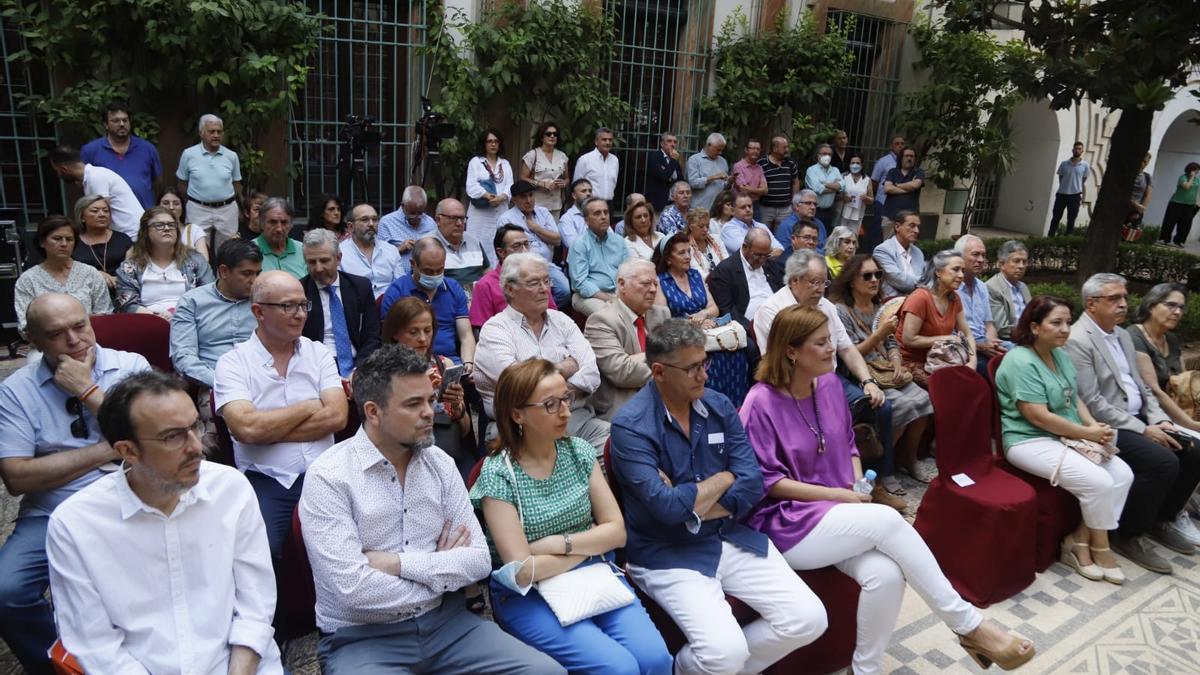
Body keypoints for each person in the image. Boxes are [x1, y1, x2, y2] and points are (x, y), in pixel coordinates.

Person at [743, 304, 1035, 674]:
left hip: (838, 511)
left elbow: (848, 442)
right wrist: (843, 497)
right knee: (887, 521)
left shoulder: (831, 385)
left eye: (830, 338)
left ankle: (865, 670)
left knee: (886, 575)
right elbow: (767, 482)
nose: (832, 347)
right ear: (791, 350)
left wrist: (855, 483)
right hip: (786, 522)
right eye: (820, 342)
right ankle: (969, 625)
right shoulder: (760, 402)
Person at [299, 345, 565, 674]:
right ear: (373, 412)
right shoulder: (330, 476)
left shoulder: (439, 463)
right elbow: (354, 590)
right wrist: (442, 570)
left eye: (430, 399)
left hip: (448, 625)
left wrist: (397, 564)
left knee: (545, 672)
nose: (430, 411)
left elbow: (479, 561)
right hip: (363, 637)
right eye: (414, 404)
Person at [610, 319, 827, 674]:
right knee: (723, 652)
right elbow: (665, 511)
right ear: (660, 371)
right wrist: (724, 478)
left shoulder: (719, 405)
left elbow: (753, 483)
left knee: (809, 618)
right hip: (667, 551)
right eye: (692, 368)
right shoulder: (631, 427)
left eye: (705, 363)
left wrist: (693, 504)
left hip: (728, 535)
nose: (704, 375)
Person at [47, 371, 283, 674]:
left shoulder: (230, 489)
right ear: (127, 451)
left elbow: (256, 603)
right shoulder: (75, 525)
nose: (196, 446)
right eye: (173, 436)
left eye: (195, 426)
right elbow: (96, 647)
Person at [469, 359, 673, 674]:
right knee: (618, 669)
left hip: (592, 574)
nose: (566, 411)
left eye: (567, 398)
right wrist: (591, 545)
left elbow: (617, 533)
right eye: (550, 404)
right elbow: (521, 572)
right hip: (528, 595)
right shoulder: (498, 473)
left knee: (656, 660)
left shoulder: (578, 451)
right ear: (517, 414)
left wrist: (554, 543)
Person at [0, 293, 149, 672]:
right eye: (56, 334)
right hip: (53, 510)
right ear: (32, 340)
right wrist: (109, 449)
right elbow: (17, 477)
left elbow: (154, 438)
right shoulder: (16, 391)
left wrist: (88, 392)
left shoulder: (130, 366)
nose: (74, 340)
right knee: (7, 593)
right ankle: (62, 665)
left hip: (133, 500)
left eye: (80, 326)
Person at [214, 271, 349, 572]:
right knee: (261, 553)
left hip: (327, 472)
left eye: (303, 305)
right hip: (267, 477)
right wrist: (309, 406)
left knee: (352, 541)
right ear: (259, 312)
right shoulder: (232, 363)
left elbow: (337, 417)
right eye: (288, 306)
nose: (300, 314)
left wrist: (268, 429)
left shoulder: (319, 353)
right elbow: (246, 428)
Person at [1066, 273, 1200, 572]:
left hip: (1142, 417)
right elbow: (1093, 401)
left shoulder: (1123, 335)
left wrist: (1160, 421)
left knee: (1193, 451)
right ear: (1091, 303)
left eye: (1124, 297)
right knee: (1163, 462)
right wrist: (1143, 429)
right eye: (1114, 298)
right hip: (1108, 425)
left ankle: (1161, 519)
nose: (1123, 304)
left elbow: (1143, 387)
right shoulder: (1078, 340)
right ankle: (1127, 532)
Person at [995, 296, 1133, 584]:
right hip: (1027, 441)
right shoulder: (1020, 360)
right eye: (1056, 323)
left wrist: (1093, 424)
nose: (1065, 329)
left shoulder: (1059, 354)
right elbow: (1038, 417)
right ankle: (1101, 548)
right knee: (1100, 482)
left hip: (1064, 435)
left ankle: (1079, 541)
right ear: (1034, 326)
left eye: (1068, 322)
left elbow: (1075, 396)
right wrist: (1088, 434)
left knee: (1123, 474)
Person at [752, 250, 902, 511]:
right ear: (794, 281)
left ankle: (874, 480)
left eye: (824, 282)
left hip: (828, 380)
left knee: (879, 403)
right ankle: (833, 484)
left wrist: (868, 381)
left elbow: (845, 348)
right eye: (813, 282)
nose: (820, 289)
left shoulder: (827, 307)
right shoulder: (772, 311)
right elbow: (775, 362)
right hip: (793, 384)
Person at [474, 252, 609, 451]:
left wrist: (545, 394)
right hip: (521, 428)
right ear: (510, 289)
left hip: (577, 420)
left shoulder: (562, 321)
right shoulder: (495, 330)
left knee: (616, 442)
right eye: (534, 283)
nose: (544, 289)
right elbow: (518, 382)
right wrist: (566, 367)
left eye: (547, 281)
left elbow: (592, 374)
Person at [830, 254, 935, 484]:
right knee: (904, 406)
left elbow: (891, 342)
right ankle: (883, 465)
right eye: (867, 275)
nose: (874, 280)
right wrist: (879, 333)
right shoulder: (841, 311)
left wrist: (897, 361)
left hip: (887, 370)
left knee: (925, 401)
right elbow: (849, 351)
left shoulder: (879, 306)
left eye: (878, 275)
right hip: (863, 373)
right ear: (851, 280)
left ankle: (908, 458)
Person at [1129, 284, 1200, 545]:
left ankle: (1186, 498)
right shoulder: (1135, 338)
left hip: (1170, 411)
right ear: (1151, 305)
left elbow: (1180, 384)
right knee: (1194, 445)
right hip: (1146, 412)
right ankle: (1171, 515)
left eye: (1181, 307)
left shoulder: (1171, 339)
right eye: (1171, 305)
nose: (1177, 311)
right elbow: (1156, 392)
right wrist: (1191, 424)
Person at [383, 298, 474, 477]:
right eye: (413, 332)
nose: (423, 339)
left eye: (428, 330)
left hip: (447, 452)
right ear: (395, 333)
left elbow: (465, 431)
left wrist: (456, 406)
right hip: (404, 458)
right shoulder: (382, 372)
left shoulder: (443, 365)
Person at [654, 232, 748, 406]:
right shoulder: (660, 282)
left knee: (736, 352)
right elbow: (663, 321)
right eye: (681, 253)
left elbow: (714, 308)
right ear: (668, 258)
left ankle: (735, 410)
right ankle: (711, 409)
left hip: (710, 333)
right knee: (714, 361)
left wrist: (703, 314)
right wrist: (693, 324)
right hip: (681, 337)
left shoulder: (696, 276)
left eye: (689, 251)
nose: (688, 256)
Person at [585, 259, 671, 420]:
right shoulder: (601, 320)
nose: (653, 290)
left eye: (655, 284)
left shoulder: (662, 314)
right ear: (622, 284)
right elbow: (622, 372)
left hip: (664, 401)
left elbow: (677, 355)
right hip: (625, 408)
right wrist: (666, 364)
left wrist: (637, 359)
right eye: (646, 283)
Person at [171, 239, 262, 388]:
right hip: (214, 383)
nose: (255, 281)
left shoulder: (265, 300)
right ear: (224, 271)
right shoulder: (192, 302)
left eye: (258, 273)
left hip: (263, 379)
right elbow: (184, 357)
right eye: (247, 274)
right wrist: (223, 383)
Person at [380, 238, 476, 365]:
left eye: (440, 270)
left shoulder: (453, 288)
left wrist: (468, 363)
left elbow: (466, 335)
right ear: (413, 264)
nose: (435, 275)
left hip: (452, 363)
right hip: (409, 365)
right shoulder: (397, 292)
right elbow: (389, 341)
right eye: (428, 271)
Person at [301, 228, 382, 377]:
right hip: (315, 368)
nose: (318, 268)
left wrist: (359, 370)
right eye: (312, 262)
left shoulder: (360, 287)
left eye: (324, 260)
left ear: (338, 258)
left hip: (358, 364)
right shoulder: (299, 292)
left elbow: (372, 336)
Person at [15, 216, 112, 333]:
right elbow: (25, 326)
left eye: (69, 239)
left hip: (91, 340)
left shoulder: (90, 273)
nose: (64, 244)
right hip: (47, 346)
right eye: (57, 238)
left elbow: (106, 314)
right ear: (42, 242)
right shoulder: (28, 280)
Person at [115, 206, 214, 317]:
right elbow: (126, 303)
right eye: (159, 225)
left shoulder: (195, 259)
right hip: (147, 322)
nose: (167, 228)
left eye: (171, 225)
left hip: (190, 319)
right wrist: (156, 317)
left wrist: (177, 314)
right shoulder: (130, 267)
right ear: (145, 231)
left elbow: (210, 294)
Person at [896, 250, 976, 386]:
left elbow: (967, 333)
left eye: (963, 270)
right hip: (911, 362)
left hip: (940, 358)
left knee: (970, 383)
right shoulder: (920, 298)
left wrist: (972, 362)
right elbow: (908, 339)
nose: (961, 275)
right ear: (938, 272)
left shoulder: (954, 298)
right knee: (952, 389)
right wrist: (945, 338)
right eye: (956, 270)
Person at [496, 180, 571, 308]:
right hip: (521, 266)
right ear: (514, 199)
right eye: (523, 197)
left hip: (546, 265)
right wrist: (545, 235)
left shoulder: (543, 212)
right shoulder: (506, 218)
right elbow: (507, 247)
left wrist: (535, 228)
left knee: (565, 291)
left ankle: (543, 311)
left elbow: (557, 240)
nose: (529, 200)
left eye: (531, 195)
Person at [469, 225, 557, 329]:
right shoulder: (485, 285)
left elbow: (552, 315)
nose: (524, 250)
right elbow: (480, 328)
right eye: (517, 246)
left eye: (526, 244)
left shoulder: (540, 278)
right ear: (501, 252)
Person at [176, 114, 242, 250]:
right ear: (201, 133)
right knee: (194, 250)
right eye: (211, 131)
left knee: (229, 251)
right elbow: (181, 184)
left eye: (219, 131)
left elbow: (236, 184)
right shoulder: (188, 154)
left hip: (227, 210)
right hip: (198, 209)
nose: (216, 135)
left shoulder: (231, 156)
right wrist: (193, 200)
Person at [49, 145, 144, 240]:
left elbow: (101, 210)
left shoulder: (95, 178)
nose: (58, 175)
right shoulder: (93, 176)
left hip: (131, 234)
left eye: (57, 171)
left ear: (64, 169)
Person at [80, 102, 163, 208]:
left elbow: (158, 182)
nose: (122, 124)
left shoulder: (147, 148)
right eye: (115, 121)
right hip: (109, 218)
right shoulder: (90, 151)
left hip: (145, 215)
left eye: (125, 120)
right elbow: (84, 183)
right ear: (106, 124)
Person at [708, 228, 784, 341]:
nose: (762, 260)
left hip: (780, 322)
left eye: (766, 255)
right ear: (744, 247)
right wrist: (754, 329)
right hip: (748, 328)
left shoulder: (770, 265)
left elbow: (782, 291)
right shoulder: (725, 271)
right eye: (758, 255)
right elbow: (727, 310)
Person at [955, 234, 1007, 376]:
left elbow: (989, 324)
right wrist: (981, 347)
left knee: (1021, 355)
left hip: (985, 342)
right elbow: (948, 334)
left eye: (983, 255)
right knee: (996, 368)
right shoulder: (951, 289)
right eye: (975, 255)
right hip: (962, 347)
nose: (981, 260)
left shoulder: (982, 287)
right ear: (959, 257)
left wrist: (993, 343)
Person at [569, 196, 629, 316]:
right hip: (589, 296)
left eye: (606, 212)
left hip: (619, 292)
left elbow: (628, 271)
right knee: (610, 315)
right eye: (597, 213)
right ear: (586, 220)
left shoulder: (619, 241)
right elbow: (580, 282)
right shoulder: (580, 244)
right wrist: (610, 299)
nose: (603, 216)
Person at [466, 129, 515, 263]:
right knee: (477, 246)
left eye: (496, 141)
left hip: (500, 212)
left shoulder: (505, 164)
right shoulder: (476, 162)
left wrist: (501, 198)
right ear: (484, 144)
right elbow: (471, 187)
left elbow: (510, 187)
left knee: (498, 246)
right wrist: (488, 196)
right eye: (489, 141)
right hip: (480, 216)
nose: (493, 144)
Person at [337, 202, 403, 298]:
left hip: (389, 306)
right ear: (351, 227)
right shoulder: (340, 253)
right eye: (365, 220)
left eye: (375, 219)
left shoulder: (391, 250)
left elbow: (400, 284)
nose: (371, 224)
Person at [71, 194, 133, 287]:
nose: (102, 214)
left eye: (106, 211)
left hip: (122, 287)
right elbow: (70, 271)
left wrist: (118, 280)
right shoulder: (73, 242)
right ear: (82, 217)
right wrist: (96, 275)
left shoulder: (122, 239)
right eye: (95, 211)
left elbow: (132, 267)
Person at [432, 197, 490, 290]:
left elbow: (487, 272)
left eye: (462, 218)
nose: (459, 223)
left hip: (477, 299)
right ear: (438, 220)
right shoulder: (427, 245)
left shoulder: (474, 241)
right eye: (453, 218)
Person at [378, 185, 439, 273]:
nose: (417, 217)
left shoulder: (430, 223)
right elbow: (379, 257)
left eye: (421, 213)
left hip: (425, 277)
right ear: (403, 206)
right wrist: (398, 249)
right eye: (412, 213)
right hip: (397, 278)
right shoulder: (387, 222)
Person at [519, 121, 570, 219]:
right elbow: (522, 178)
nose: (552, 136)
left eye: (555, 134)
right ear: (542, 137)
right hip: (537, 205)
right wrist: (541, 183)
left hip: (556, 206)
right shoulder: (532, 155)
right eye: (548, 134)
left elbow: (567, 178)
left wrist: (563, 183)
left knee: (553, 233)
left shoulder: (562, 156)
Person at [873, 210, 926, 299]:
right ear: (897, 227)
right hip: (892, 301)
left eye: (918, 227)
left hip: (918, 299)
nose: (917, 231)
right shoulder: (882, 250)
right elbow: (899, 280)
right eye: (912, 226)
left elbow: (925, 275)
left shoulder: (918, 252)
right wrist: (925, 284)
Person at [986, 240, 1032, 342]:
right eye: (1016, 261)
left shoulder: (1023, 287)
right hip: (1009, 341)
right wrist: (1032, 334)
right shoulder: (992, 288)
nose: (1021, 266)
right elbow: (1002, 328)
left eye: (1024, 262)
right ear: (1002, 264)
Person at [867, 134, 906, 251]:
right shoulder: (884, 161)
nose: (900, 146)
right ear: (891, 146)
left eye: (902, 144)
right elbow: (874, 181)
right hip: (882, 202)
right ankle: (871, 255)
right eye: (897, 144)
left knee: (892, 234)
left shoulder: (904, 163)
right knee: (877, 232)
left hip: (897, 204)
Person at [253, 197, 306, 278]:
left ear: (291, 224)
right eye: (272, 222)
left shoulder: (303, 250)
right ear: (261, 223)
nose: (279, 229)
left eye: (284, 222)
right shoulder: (249, 250)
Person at [758, 135, 801, 230]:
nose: (787, 149)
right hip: (766, 208)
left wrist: (794, 201)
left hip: (785, 208)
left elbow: (795, 182)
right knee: (763, 234)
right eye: (784, 147)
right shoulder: (762, 163)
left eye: (787, 147)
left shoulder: (790, 162)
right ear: (775, 148)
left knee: (782, 233)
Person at [721, 193, 785, 258]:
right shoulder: (728, 229)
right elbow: (746, 251)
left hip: (763, 266)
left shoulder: (761, 226)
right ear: (732, 211)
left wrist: (764, 256)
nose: (748, 210)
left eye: (750, 206)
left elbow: (780, 249)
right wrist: (769, 251)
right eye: (743, 207)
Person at [881, 147, 924, 239]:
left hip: (910, 217)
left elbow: (915, 185)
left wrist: (896, 185)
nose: (909, 158)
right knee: (888, 245)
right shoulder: (892, 172)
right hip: (891, 216)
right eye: (907, 156)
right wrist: (908, 188)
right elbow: (888, 188)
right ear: (901, 158)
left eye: (912, 156)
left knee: (907, 244)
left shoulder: (918, 172)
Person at [1048, 141, 1090, 237]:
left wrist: (1076, 186)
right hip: (1061, 194)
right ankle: (1050, 237)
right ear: (1072, 150)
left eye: (1079, 148)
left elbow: (1084, 178)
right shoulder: (1064, 164)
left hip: (1075, 195)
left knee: (1071, 219)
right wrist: (1065, 186)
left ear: (1082, 150)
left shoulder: (1085, 165)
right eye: (1076, 148)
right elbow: (1061, 178)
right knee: (1056, 217)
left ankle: (1067, 238)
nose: (1077, 150)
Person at [158, 185, 209, 260]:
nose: (171, 207)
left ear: (182, 207)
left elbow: (204, 262)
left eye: (176, 203)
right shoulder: (150, 231)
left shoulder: (194, 230)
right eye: (166, 203)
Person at [1157, 162, 1200, 247]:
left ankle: (1179, 241)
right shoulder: (1182, 177)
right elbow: (1187, 187)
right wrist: (1191, 177)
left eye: (1198, 170)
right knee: (1170, 221)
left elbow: (1196, 191)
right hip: (1176, 203)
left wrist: (1197, 202)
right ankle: (1165, 239)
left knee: (1186, 224)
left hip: (1190, 205)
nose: (1197, 172)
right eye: (1196, 170)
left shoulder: (1197, 180)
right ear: (1191, 170)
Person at [574, 127, 619, 206]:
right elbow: (576, 185)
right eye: (604, 140)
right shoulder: (585, 160)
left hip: (609, 204)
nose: (608, 142)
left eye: (610, 140)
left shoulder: (615, 160)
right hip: (590, 204)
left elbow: (613, 183)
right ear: (596, 142)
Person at [774, 190, 826, 257]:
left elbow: (824, 248)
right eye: (808, 203)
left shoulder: (820, 224)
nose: (813, 207)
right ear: (797, 206)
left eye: (815, 204)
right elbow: (784, 252)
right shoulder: (786, 226)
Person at [688, 132, 730, 211]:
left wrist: (729, 181)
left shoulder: (723, 161)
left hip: (717, 210)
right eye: (718, 149)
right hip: (699, 209)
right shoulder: (694, 160)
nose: (720, 153)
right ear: (709, 145)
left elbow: (723, 186)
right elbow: (693, 183)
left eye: (721, 150)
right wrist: (714, 177)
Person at [805, 143, 843, 226]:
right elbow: (817, 189)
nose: (827, 156)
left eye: (829, 154)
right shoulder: (811, 170)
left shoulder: (835, 170)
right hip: (814, 210)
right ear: (818, 155)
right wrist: (834, 187)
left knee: (826, 235)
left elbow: (842, 187)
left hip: (830, 210)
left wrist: (824, 184)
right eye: (824, 154)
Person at [646, 131, 683, 212]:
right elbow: (663, 176)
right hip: (658, 203)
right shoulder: (655, 157)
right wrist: (673, 160)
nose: (673, 144)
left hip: (673, 203)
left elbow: (680, 180)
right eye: (669, 141)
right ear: (662, 144)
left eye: (675, 142)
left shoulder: (675, 159)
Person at [686, 207, 727, 279]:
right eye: (701, 226)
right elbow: (699, 273)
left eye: (707, 226)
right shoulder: (687, 246)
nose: (705, 230)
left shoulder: (716, 239)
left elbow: (727, 262)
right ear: (691, 227)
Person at [839, 154, 873, 237]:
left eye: (858, 163)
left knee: (853, 239)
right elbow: (836, 195)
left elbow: (871, 200)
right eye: (853, 163)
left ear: (862, 165)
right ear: (849, 164)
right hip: (842, 214)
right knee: (840, 237)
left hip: (857, 216)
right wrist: (843, 197)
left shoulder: (867, 180)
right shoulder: (843, 177)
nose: (855, 165)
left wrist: (866, 198)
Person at [730, 138, 768, 211]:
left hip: (755, 205)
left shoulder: (759, 168)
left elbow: (765, 190)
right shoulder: (738, 166)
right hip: (741, 205)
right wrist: (759, 191)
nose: (755, 151)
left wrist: (750, 189)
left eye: (758, 149)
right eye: (752, 148)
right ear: (746, 150)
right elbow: (743, 190)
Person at [557, 179, 592, 248]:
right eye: (583, 191)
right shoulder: (567, 219)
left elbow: (612, 240)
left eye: (590, 191)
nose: (588, 194)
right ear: (574, 195)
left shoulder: (599, 213)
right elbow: (574, 246)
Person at [1126, 153, 1154, 233]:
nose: (1143, 164)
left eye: (1146, 162)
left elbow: (1148, 195)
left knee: (1130, 236)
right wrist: (1134, 204)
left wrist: (1140, 210)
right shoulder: (1127, 174)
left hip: (1135, 212)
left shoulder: (1147, 177)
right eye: (1142, 161)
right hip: (1122, 208)